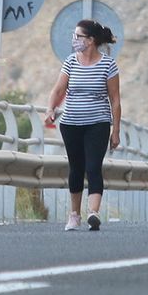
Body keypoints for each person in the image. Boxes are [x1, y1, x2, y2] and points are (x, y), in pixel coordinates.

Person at [43, 19, 121, 231]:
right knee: (76, 168)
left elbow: (115, 100)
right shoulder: (71, 62)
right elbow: (58, 90)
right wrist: (50, 109)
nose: (74, 39)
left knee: (93, 167)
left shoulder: (108, 65)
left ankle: (93, 212)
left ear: (91, 40)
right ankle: (74, 215)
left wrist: (116, 131)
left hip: (98, 123)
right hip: (71, 123)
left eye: (78, 36)